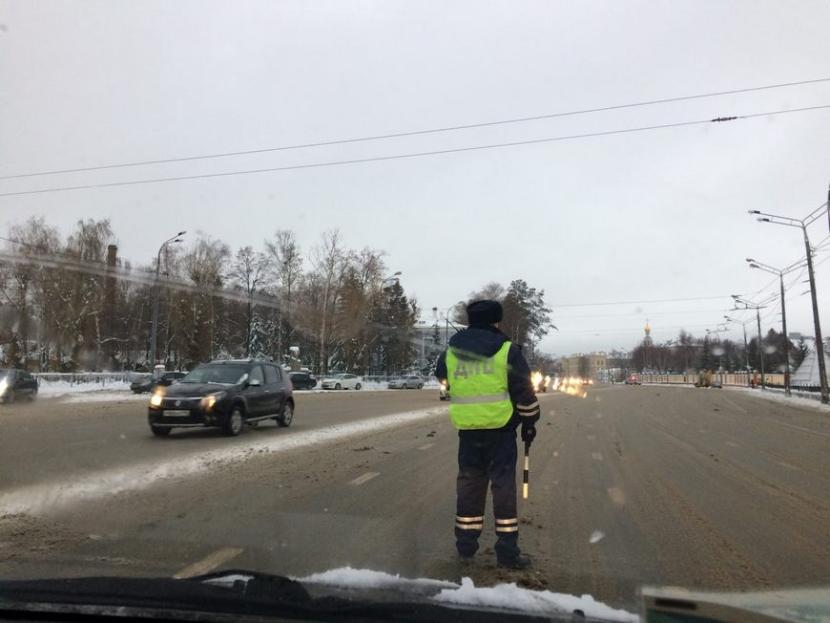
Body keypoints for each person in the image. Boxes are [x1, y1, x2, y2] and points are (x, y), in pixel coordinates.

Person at [435, 299, 540, 569]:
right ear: (496, 321)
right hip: (501, 430)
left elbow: (442, 378)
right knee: (503, 488)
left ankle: (466, 545)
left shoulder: (451, 351)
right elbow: (523, 391)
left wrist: (457, 390)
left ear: (470, 320)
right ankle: (507, 550)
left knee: (469, 485)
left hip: (468, 431)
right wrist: (530, 421)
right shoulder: (506, 350)